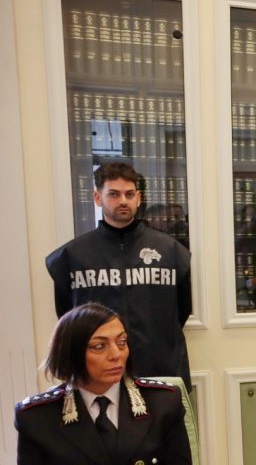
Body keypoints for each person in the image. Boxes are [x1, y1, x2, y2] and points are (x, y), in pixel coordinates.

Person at [15, 303, 196, 465]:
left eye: (122, 342)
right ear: (70, 352)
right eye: (99, 346)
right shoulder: (37, 417)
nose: (116, 354)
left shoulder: (163, 402)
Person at [45, 162, 192, 387]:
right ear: (97, 197)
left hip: (161, 369)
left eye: (129, 194)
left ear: (138, 198)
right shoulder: (71, 256)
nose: (123, 200)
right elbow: (67, 315)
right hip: (97, 376)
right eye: (113, 194)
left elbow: (182, 310)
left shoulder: (171, 252)